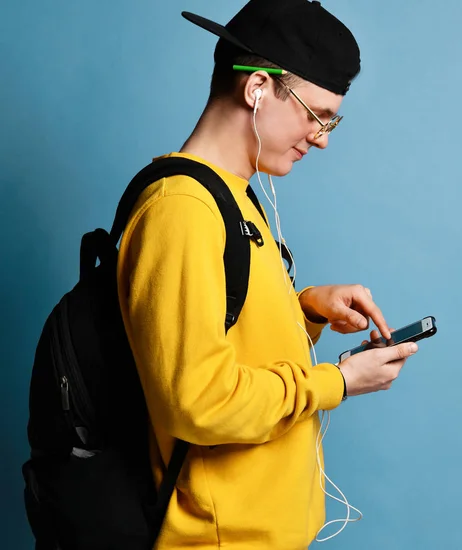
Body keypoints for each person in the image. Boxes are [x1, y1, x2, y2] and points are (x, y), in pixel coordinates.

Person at [116, 1, 419, 548]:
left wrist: (305, 311)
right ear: (257, 87)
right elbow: (199, 402)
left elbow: (221, 348)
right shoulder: (183, 209)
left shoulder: (233, 199)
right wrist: (339, 382)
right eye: (316, 114)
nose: (323, 137)